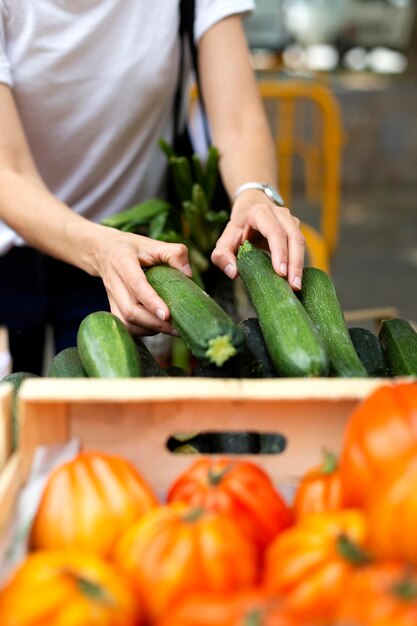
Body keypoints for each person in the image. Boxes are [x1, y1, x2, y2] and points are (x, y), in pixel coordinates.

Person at [0, 0, 306, 375]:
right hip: (13, 247)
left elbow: (239, 120)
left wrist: (254, 192)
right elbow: (7, 170)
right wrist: (100, 248)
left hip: (132, 254)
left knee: (104, 425)